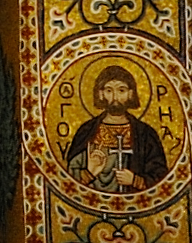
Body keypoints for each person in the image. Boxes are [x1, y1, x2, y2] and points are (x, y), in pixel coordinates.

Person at [64, 63, 171, 192]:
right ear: (101, 94)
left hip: (133, 203)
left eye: (121, 90)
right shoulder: (87, 131)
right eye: (109, 90)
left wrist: (135, 180)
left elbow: (161, 176)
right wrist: (89, 172)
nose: (115, 97)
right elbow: (68, 178)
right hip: (93, 201)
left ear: (131, 93)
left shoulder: (144, 133)